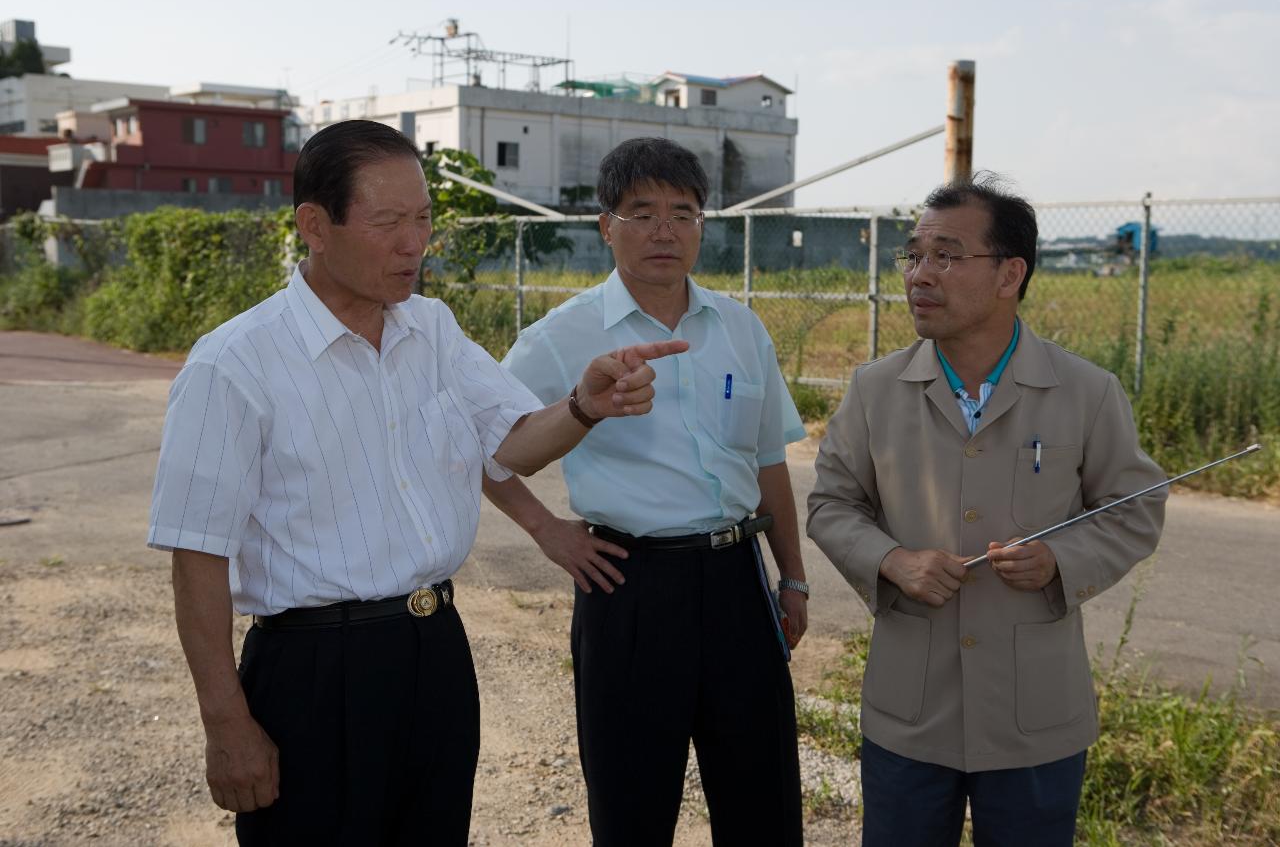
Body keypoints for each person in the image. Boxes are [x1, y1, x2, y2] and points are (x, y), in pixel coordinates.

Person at [147, 119, 686, 845]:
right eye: (388, 222)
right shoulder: (236, 365)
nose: (414, 243)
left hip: (433, 652)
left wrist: (586, 405)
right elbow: (198, 551)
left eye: (425, 218)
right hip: (313, 671)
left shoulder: (430, 329)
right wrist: (225, 720)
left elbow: (517, 444)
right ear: (315, 224)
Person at [806, 174, 1167, 846]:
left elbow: (1133, 507)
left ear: (1010, 274)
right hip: (910, 711)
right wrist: (893, 560)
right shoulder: (875, 390)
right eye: (913, 256)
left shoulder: (1085, 391)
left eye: (946, 255)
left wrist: (1061, 558)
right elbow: (832, 504)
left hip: (1035, 714)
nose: (920, 275)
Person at [481, 136, 808, 846]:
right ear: (606, 226)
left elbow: (767, 462)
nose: (665, 230)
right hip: (629, 587)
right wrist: (548, 529)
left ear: (703, 226)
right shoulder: (560, 336)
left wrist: (796, 579)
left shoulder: (741, 329)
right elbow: (489, 450)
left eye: (683, 213)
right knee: (633, 807)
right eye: (642, 213)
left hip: (736, 583)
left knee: (766, 804)